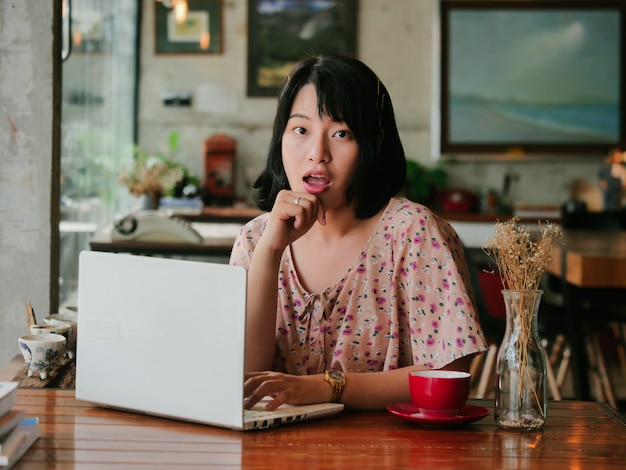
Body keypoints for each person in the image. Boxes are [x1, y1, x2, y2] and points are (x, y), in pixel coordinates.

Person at [229, 55, 487, 411]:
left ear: (374, 143)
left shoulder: (413, 232)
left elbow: (449, 370)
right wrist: (270, 252)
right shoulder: (255, 238)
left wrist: (327, 387)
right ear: (281, 138)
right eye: (300, 130)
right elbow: (242, 377)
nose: (317, 154)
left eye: (341, 133)